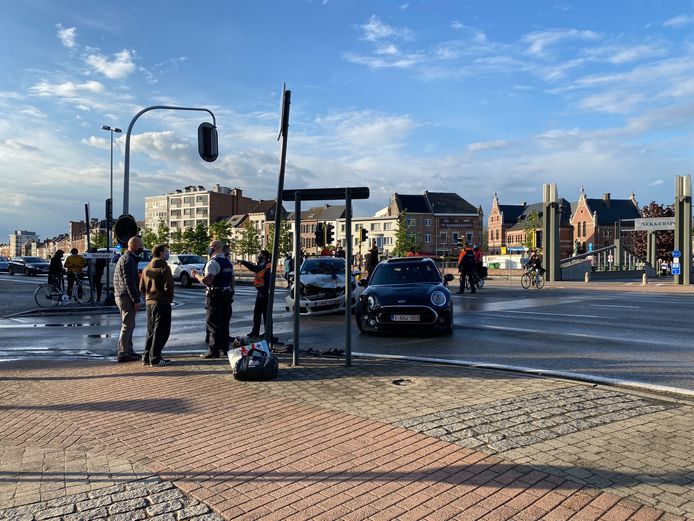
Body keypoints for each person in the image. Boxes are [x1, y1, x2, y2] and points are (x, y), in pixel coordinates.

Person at [192, 240, 234, 358]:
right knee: (224, 322)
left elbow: (207, 280)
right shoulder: (227, 262)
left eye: (210, 247)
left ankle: (213, 350)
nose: (208, 249)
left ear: (214, 248)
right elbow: (232, 279)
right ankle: (225, 348)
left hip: (215, 294)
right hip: (226, 294)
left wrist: (196, 275)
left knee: (213, 323)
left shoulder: (213, 263)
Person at [139, 244, 175, 366]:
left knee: (151, 330)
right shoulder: (165, 267)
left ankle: (146, 356)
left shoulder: (147, 268)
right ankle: (155, 357)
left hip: (150, 302)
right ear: (161, 253)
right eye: (166, 251)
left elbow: (141, 287)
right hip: (162, 302)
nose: (167, 253)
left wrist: (148, 296)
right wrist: (168, 298)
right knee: (162, 331)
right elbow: (169, 286)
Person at [113, 236, 144, 363]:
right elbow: (129, 282)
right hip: (125, 297)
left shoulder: (127, 259)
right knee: (128, 325)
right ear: (133, 246)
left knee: (129, 325)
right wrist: (136, 300)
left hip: (121, 295)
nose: (141, 248)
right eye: (140, 245)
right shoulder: (128, 260)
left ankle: (129, 350)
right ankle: (123, 352)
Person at [238, 249, 271, 338]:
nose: (258, 256)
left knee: (265, 313)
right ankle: (255, 331)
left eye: (259, 254)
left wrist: (244, 262)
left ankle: (268, 333)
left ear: (264, 256)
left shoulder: (267, 265)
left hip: (264, 292)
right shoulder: (261, 264)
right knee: (257, 313)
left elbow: (255, 269)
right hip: (261, 291)